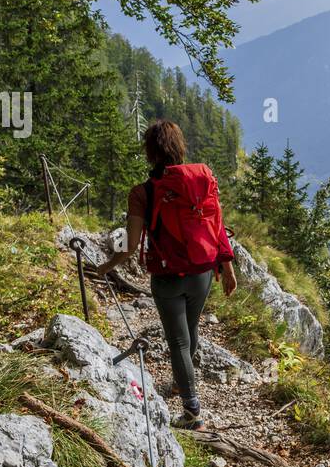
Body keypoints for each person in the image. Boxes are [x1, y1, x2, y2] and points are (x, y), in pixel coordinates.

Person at [94, 119, 237, 431]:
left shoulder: (142, 192)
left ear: (150, 153)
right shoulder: (202, 178)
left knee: (178, 341)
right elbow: (216, 224)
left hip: (168, 275)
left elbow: (130, 245)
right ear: (180, 146)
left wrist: (106, 267)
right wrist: (227, 266)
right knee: (191, 329)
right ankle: (179, 382)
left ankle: (192, 413)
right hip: (202, 271)